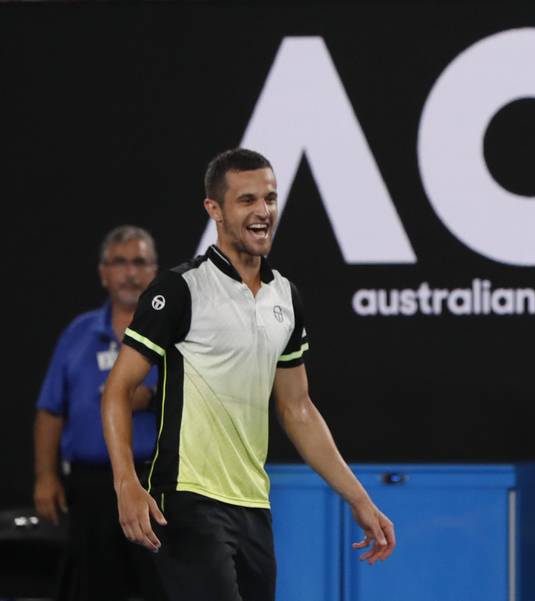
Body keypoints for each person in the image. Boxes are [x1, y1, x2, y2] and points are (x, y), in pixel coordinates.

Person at [101, 148, 396, 601]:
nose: (263, 211)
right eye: (247, 200)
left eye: (270, 199)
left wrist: (359, 498)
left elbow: (297, 408)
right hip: (186, 498)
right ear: (214, 209)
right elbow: (117, 390)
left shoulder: (287, 297)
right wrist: (126, 482)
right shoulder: (180, 290)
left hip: (254, 505)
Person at [34, 225, 165, 601]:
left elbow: (201, 398)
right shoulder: (77, 334)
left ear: (154, 271)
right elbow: (49, 411)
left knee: (162, 587)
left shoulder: (174, 332)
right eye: (119, 262)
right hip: (91, 488)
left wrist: (153, 396)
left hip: (155, 484)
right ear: (103, 273)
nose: (130, 272)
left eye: (139, 262)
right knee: (93, 589)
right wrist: (45, 476)